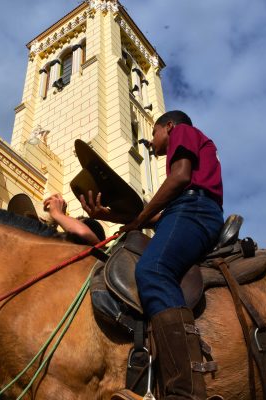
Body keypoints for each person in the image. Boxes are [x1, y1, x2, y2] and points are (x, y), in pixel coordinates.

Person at [80, 110, 224, 400]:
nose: (150, 140)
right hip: (183, 211)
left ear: (168, 126)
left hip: (194, 210)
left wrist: (141, 215)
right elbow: (155, 219)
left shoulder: (183, 132)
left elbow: (181, 177)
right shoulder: (185, 153)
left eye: (154, 133)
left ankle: (185, 390)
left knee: (152, 270)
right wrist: (111, 215)